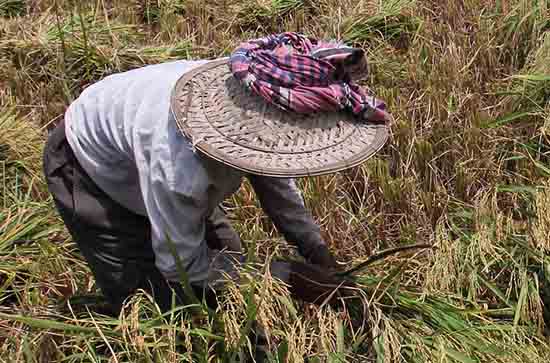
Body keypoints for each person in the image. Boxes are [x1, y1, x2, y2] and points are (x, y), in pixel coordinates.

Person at [42, 33, 390, 316]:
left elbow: (276, 181)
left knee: (228, 263)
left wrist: (316, 250)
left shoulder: (255, 96)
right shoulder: (181, 169)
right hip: (91, 170)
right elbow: (180, 265)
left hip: (148, 149)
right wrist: (290, 277)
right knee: (157, 306)